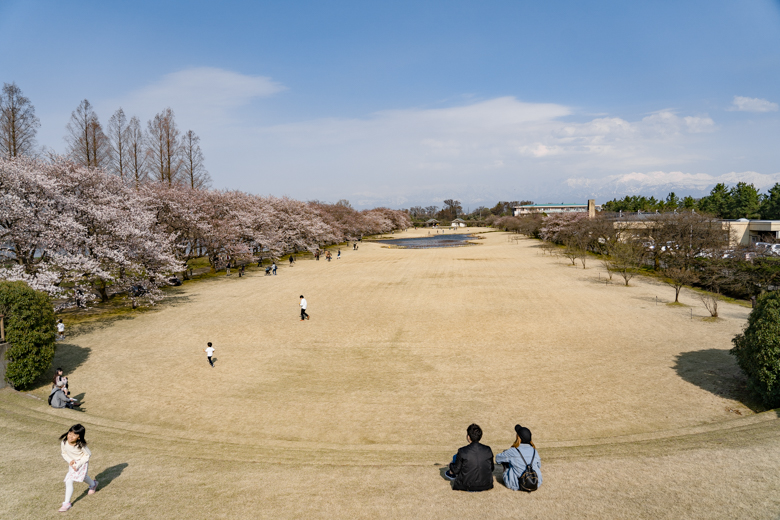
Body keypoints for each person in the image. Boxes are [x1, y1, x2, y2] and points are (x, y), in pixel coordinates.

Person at [58, 424, 98, 512]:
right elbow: (64, 453)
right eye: (70, 433)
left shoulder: (81, 445)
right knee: (76, 479)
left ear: (79, 437)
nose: (71, 436)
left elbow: (88, 455)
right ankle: (93, 484)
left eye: (75, 435)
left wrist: (78, 464)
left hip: (81, 463)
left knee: (74, 479)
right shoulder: (64, 442)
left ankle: (66, 503)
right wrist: (70, 461)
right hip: (72, 464)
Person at [444, 424, 494, 492]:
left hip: (466, 485)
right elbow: (492, 468)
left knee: (455, 457)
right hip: (486, 484)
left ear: (468, 437)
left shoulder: (462, 451)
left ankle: (450, 473)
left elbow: (456, 470)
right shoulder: (488, 449)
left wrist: (450, 465)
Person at [495, 425, 542, 491]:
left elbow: (497, 459)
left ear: (518, 437)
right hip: (535, 482)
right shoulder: (534, 451)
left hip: (516, 484)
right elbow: (539, 465)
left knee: (506, 459)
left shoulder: (513, 451)